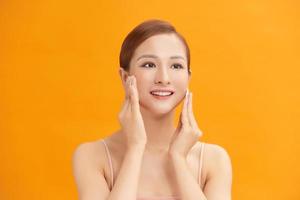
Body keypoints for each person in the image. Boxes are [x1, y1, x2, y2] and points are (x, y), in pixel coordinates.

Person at [72, 19, 232, 200]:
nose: (163, 78)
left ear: (188, 77)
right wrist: (135, 147)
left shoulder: (213, 160)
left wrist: (178, 158)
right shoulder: (93, 156)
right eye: (149, 64)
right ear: (125, 78)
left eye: (176, 66)